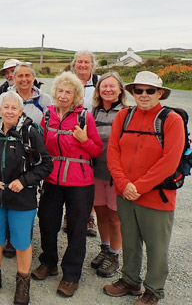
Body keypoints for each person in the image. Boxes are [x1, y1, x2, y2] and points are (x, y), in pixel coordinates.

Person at [104, 71, 184, 305]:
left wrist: (138, 186)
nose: (144, 95)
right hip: (125, 192)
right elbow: (113, 152)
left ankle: (153, 291)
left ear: (160, 93)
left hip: (156, 196)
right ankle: (130, 281)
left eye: (150, 90)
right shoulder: (124, 116)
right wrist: (123, 184)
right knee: (130, 240)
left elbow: (170, 160)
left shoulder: (171, 120)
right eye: (138, 90)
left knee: (156, 246)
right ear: (132, 93)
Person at [32, 71, 103, 298]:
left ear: (76, 95)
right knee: (47, 220)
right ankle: (49, 262)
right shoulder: (47, 115)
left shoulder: (85, 117)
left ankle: (71, 275)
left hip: (80, 181)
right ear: (55, 93)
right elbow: (41, 146)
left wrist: (84, 139)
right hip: (52, 178)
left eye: (68, 92)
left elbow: (97, 150)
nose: (63, 96)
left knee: (76, 227)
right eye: (60, 91)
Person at [0, 91, 53, 303]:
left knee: (21, 241)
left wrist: (25, 180)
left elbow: (46, 164)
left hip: (22, 198)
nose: (9, 111)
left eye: (14, 108)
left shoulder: (30, 133)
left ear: (20, 111)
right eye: (5, 107)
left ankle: (23, 281)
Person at [90, 72, 128, 278]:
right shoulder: (93, 112)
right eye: (104, 86)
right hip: (96, 172)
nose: (108, 90)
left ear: (120, 90)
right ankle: (104, 248)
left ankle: (114, 254)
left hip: (115, 174)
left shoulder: (127, 113)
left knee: (115, 218)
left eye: (112, 86)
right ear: (98, 90)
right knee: (101, 214)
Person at [70, 50, 100, 237]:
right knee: (70, 173)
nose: (82, 65)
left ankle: (89, 216)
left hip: (93, 132)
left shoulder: (98, 83)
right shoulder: (68, 80)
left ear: (92, 65)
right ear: (74, 64)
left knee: (92, 176)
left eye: (86, 62)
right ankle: (69, 214)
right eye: (79, 62)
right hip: (71, 132)